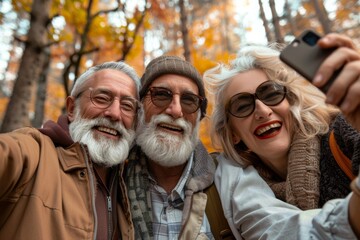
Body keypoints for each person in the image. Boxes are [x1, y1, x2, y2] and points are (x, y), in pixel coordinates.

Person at [204, 33, 360, 238]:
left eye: (271, 93)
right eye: (242, 106)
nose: (262, 110)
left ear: (291, 102)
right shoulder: (242, 199)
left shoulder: (342, 133)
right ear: (233, 134)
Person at [0, 61, 141, 239]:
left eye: (127, 106)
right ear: (72, 108)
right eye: (102, 98)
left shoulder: (128, 184)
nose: (114, 113)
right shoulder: (33, 153)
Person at [124, 55, 217, 239]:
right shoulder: (111, 183)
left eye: (189, 100)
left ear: (199, 117)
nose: (175, 111)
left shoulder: (228, 179)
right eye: (161, 95)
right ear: (139, 107)